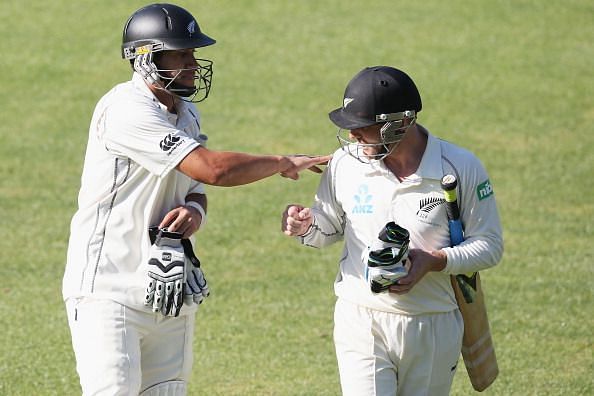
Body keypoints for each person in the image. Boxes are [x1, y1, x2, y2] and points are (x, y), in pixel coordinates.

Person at [63, 3, 330, 395]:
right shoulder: (126, 110)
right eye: (181, 54)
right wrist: (282, 162)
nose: (192, 63)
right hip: (109, 292)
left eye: (193, 53)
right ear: (146, 58)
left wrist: (194, 211)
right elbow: (212, 170)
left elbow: (196, 188)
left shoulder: (186, 113)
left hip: (167, 287)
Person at [281, 66, 503, 396]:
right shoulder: (346, 163)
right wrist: (307, 225)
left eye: (363, 127)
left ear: (401, 121)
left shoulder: (460, 167)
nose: (353, 135)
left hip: (432, 323)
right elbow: (327, 229)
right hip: (361, 319)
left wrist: (435, 260)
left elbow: (489, 246)